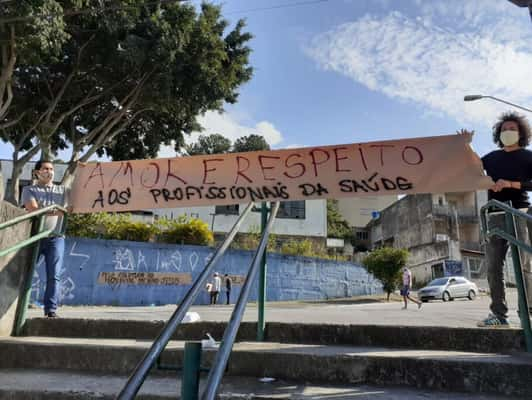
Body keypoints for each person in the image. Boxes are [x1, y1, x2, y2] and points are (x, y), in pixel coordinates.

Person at [477, 112, 532, 328]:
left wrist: (510, 184)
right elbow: (466, 170)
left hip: (520, 212)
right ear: (498, 134)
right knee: (493, 268)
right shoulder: (490, 158)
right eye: (504, 129)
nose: (507, 132)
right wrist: (463, 145)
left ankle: (527, 313)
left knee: (524, 265)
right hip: (495, 215)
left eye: (512, 129)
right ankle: (499, 315)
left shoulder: (528, 157)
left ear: (521, 133)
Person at [21, 160, 68, 318]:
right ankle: (18, 308)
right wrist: (59, 212)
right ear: (37, 172)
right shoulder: (29, 189)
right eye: (45, 169)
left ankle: (50, 310)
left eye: (51, 169)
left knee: (54, 275)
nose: (49, 172)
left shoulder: (63, 191)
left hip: (56, 238)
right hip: (35, 237)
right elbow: (33, 209)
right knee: (25, 272)